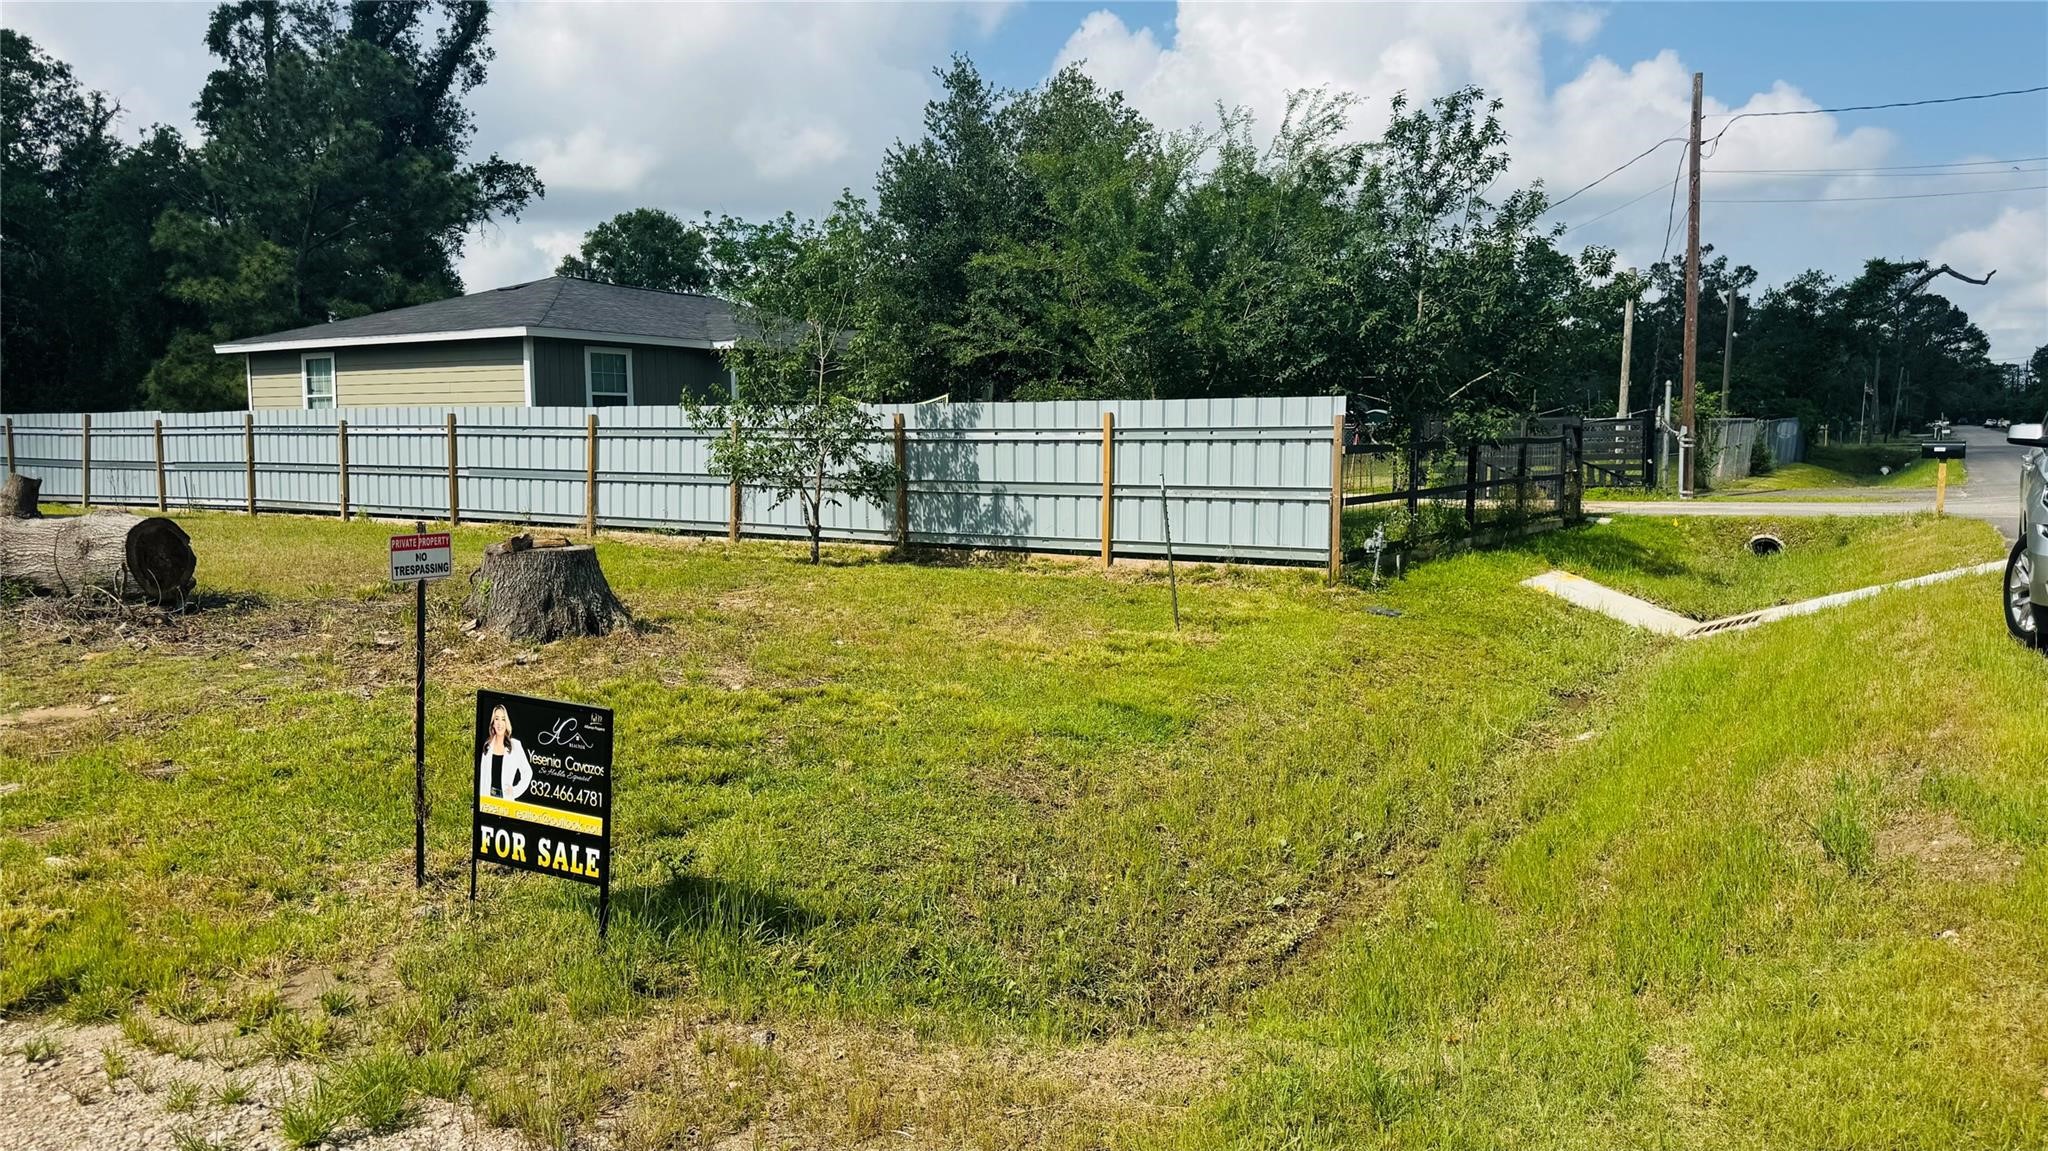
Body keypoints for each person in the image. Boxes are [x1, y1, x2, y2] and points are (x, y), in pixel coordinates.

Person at [477, 704, 533, 802]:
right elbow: (482, 777)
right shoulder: (487, 746)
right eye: (496, 719)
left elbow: (527, 772)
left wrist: (515, 790)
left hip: (506, 802)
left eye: (503, 719)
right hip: (487, 801)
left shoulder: (515, 745)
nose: (499, 723)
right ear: (493, 723)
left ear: (506, 722)